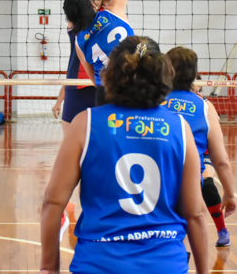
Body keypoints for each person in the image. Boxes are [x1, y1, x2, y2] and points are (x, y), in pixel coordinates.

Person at [40, 36, 209, 274]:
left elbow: (53, 201)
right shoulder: (180, 128)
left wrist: (48, 267)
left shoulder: (85, 124)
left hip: (98, 264)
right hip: (164, 264)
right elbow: (196, 213)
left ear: (111, 74)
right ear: (163, 76)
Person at [53, 0, 124, 132]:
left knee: (106, 138)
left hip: (106, 85)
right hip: (76, 87)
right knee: (71, 141)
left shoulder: (107, 12)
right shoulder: (75, 21)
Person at [165, 47, 237, 248]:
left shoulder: (151, 102)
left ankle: (221, 231)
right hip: (187, 183)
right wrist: (230, 194)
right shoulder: (205, 108)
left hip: (152, 181)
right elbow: (221, 160)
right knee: (185, 230)